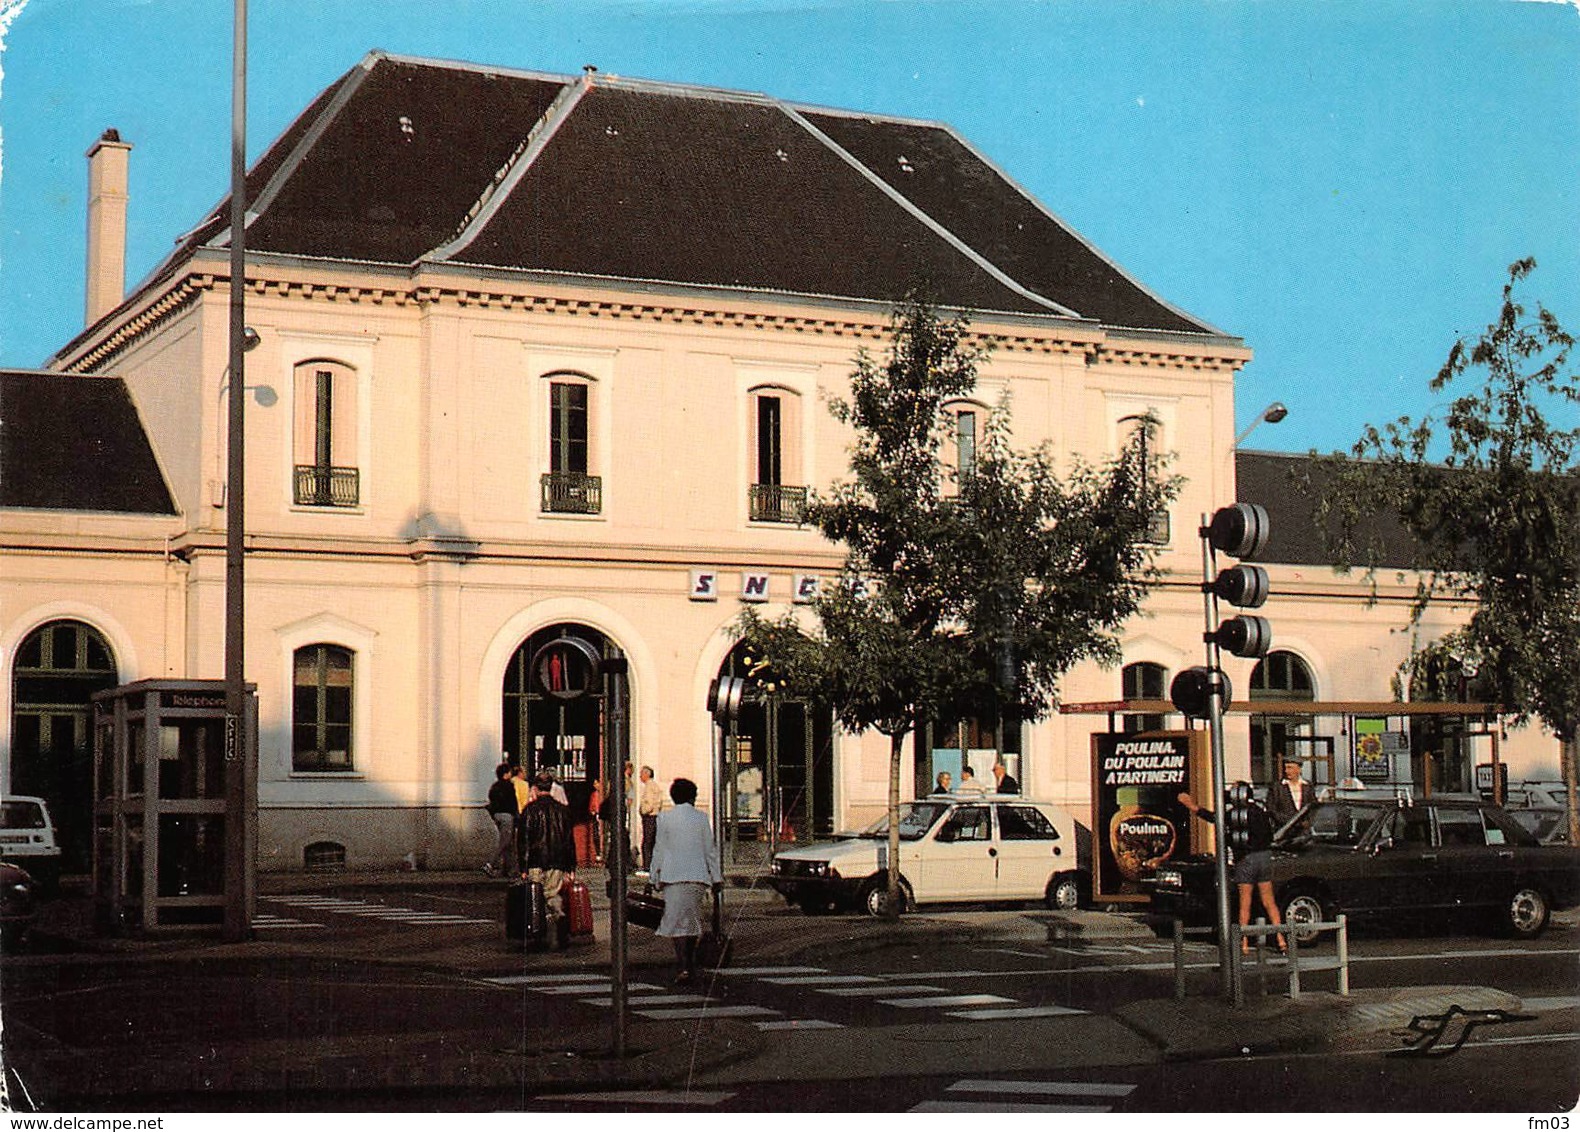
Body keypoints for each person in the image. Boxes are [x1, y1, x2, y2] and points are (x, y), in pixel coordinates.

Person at [1178, 785, 1285, 956]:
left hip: (1245, 859)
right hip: (1264, 857)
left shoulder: (1234, 815)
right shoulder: (1260, 811)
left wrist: (1192, 806)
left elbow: (1214, 818)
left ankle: (1243, 942)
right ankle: (1281, 939)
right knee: (1268, 901)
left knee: (1245, 903)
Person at [648, 777, 723, 985]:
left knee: (676, 923)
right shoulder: (701, 818)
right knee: (691, 920)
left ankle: (683, 965)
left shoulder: (664, 818)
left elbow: (659, 849)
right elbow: (710, 851)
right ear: (692, 797)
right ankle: (688, 962)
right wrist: (716, 877)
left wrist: (654, 875)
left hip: (673, 877)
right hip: (697, 876)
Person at [520, 771, 578, 939]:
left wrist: (522, 866)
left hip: (535, 861)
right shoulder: (562, 811)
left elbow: (523, 841)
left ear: (536, 789)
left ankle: (539, 931)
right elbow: (569, 841)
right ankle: (559, 917)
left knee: (535, 896)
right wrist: (570, 866)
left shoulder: (529, 811)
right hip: (557, 861)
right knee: (552, 893)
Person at [483, 762, 517, 877]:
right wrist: (516, 814)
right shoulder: (509, 786)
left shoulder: (495, 786)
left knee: (509, 844)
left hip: (497, 815)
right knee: (505, 841)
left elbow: (491, 800)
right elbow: (513, 802)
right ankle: (490, 863)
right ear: (506, 774)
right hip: (507, 815)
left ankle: (509, 869)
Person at [1267, 759, 1313, 827]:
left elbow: (1312, 807)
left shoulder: (1308, 786)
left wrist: (1307, 822)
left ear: (1299, 769)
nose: (1286, 771)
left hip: (1304, 831)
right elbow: (1271, 809)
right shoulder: (1277, 787)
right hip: (1284, 829)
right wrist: (1289, 821)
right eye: (1285, 768)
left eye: (1290, 768)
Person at [638, 764, 664, 868]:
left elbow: (649, 803)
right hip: (654, 816)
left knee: (647, 843)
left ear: (646, 774)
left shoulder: (649, 787)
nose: (640, 776)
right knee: (651, 842)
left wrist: (643, 811)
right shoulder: (654, 786)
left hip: (649, 817)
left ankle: (647, 866)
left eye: (641, 774)